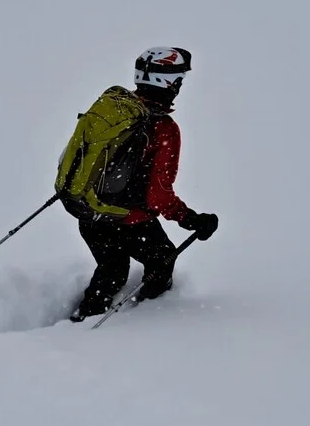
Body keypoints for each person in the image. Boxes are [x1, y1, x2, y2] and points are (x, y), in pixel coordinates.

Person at [66, 46, 219, 322]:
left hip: (90, 213)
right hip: (130, 221)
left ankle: (80, 322)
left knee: (112, 269)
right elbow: (158, 195)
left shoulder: (112, 110)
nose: (180, 86)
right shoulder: (163, 128)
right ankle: (147, 322)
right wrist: (191, 219)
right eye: (179, 80)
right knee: (162, 260)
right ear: (169, 83)